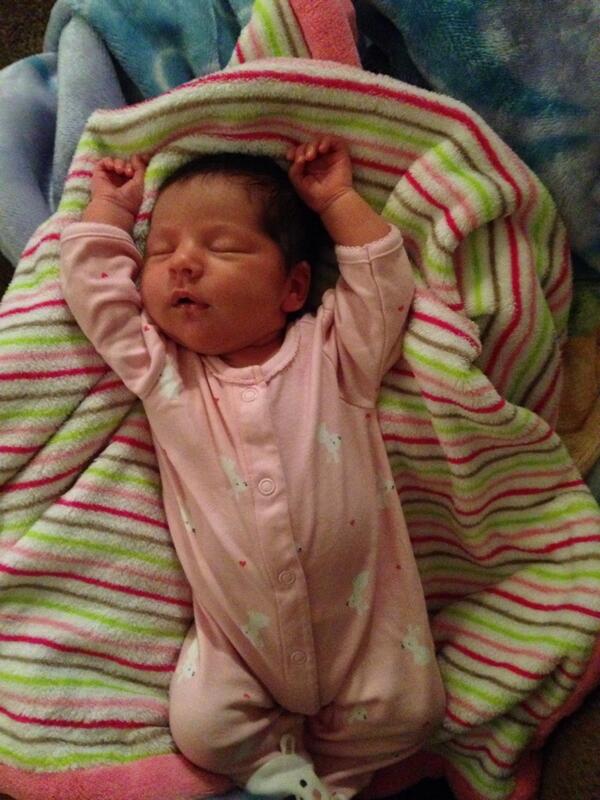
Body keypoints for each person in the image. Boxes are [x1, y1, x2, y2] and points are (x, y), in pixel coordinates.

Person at [60, 136, 445, 800]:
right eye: (162, 252)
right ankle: (277, 771)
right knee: (202, 725)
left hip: (366, 633)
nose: (183, 264)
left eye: (223, 248)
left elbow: (385, 285)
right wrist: (110, 212)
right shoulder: (166, 376)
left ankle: (337, 780)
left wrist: (337, 200)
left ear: (293, 287)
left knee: (414, 710)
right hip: (238, 647)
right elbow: (96, 296)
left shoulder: (334, 355)